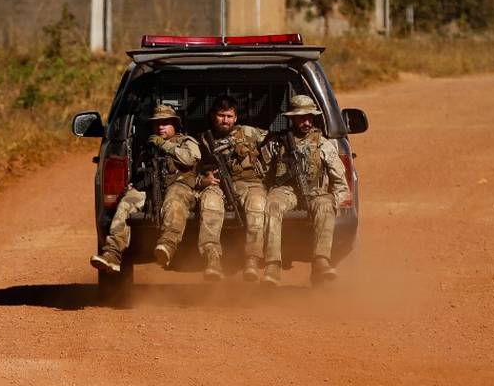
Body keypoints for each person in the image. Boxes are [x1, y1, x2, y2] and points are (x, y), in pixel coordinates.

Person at [91, 104, 200, 274]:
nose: (161, 126)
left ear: (175, 125)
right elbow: (139, 171)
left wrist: (165, 146)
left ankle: (168, 244)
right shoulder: (148, 146)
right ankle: (112, 252)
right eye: (157, 123)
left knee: (174, 201)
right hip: (149, 190)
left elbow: (189, 159)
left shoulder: (186, 142)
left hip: (179, 186)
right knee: (126, 204)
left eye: (166, 122)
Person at [262, 95, 350, 285]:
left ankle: (321, 261)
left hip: (314, 191)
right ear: (292, 118)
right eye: (301, 118)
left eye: (310, 117)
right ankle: (272, 265)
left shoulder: (323, 144)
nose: (307, 122)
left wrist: (334, 201)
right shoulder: (277, 143)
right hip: (285, 190)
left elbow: (341, 183)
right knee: (273, 205)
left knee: (326, 205)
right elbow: (262, 173)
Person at [186, 96, 268, 282]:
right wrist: (203, 179)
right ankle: (212, 259)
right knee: (210, 204)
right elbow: (189, 171)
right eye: (221, 115)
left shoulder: (249, 133)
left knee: (257, 205)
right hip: (217, 184)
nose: (225, 120)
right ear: (213, 116)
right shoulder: (201, 140)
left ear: (236, 118)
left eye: (229, 116)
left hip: (249, 184)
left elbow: (273, 141)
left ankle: (252, 260)